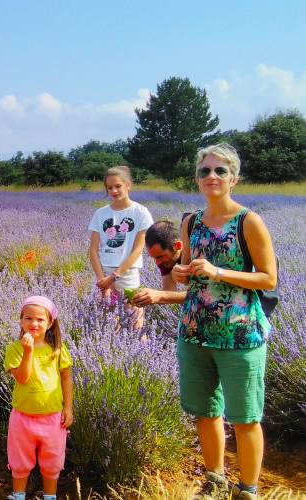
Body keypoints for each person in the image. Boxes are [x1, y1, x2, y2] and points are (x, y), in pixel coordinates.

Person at [171, 143, 276, 500]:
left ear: (234, 178)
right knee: (206, 412)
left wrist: (218, 271)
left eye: (220, 171)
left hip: (240, 335)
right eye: (205, 171)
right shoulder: (191, 222)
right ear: (197, 178)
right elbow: (186, 271)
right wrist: (181, 272)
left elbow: (268, 279)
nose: (212, 176)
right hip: (195, 332)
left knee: (245, 417)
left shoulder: (249, 221)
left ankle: (248, 489)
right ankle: (214, 481)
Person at [3, 296, 73, 500]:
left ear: (50, 323)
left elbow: (67, 379)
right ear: (21, 321)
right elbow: (23, 378)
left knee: (52, 462)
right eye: (28, 318)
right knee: (20, 461)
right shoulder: (15, 349)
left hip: (53, 418)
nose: (34, 323)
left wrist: (68, 408)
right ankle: (18, 495)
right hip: (23, 418)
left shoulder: (58, 349)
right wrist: (28, 351)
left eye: (40, 319)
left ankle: (50, 496)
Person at [87, 165, 153, 326]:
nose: (114, 191)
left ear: (128, 185)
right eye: (109, 187)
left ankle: (141, 351)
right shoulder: (101, 214)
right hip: (105, 272)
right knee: (109, 322)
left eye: (118, 186)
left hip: (127, 273)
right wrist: (101, 278)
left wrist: (114, 276)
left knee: (135, 319)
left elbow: (138, 249)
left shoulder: (140, 212)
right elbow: (93, 249)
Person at [130, 220, 187, 307]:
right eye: (154, 258)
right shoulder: (165, 261)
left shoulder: (198, 253)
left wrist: (160, 296)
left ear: (178, 246)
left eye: (160, 257)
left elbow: (205, 295)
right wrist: (145, 298)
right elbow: (170, 293)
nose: (157, 262)